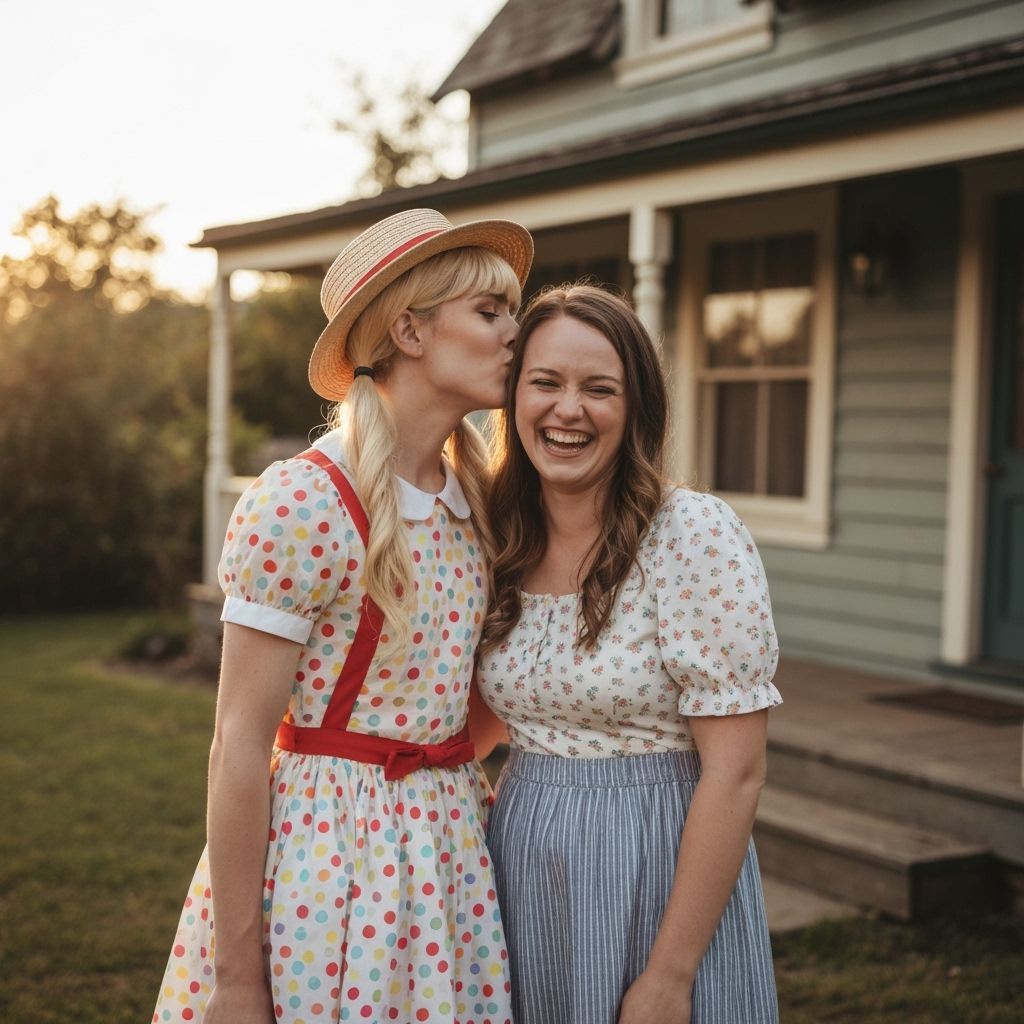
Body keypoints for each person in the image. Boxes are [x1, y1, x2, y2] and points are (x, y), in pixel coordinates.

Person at [152, 208, 533, 1024]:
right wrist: (237, 975)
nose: (516, 334)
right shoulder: (305, 502)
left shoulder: (478, 504)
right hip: (332, 859)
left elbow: (465, 705)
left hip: (447, 855)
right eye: (491, 311)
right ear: (410, 329)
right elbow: (239, 744)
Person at [475, 284, 782, 1024]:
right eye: (545, 382)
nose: (567, 410)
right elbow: (480, 722)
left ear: (635, 408)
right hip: (522, 869)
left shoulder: (692, 536)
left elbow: (736, 771)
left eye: (599, 389)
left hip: (656, 869)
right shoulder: (497, 534)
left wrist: (671, 975)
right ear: (513, 398)